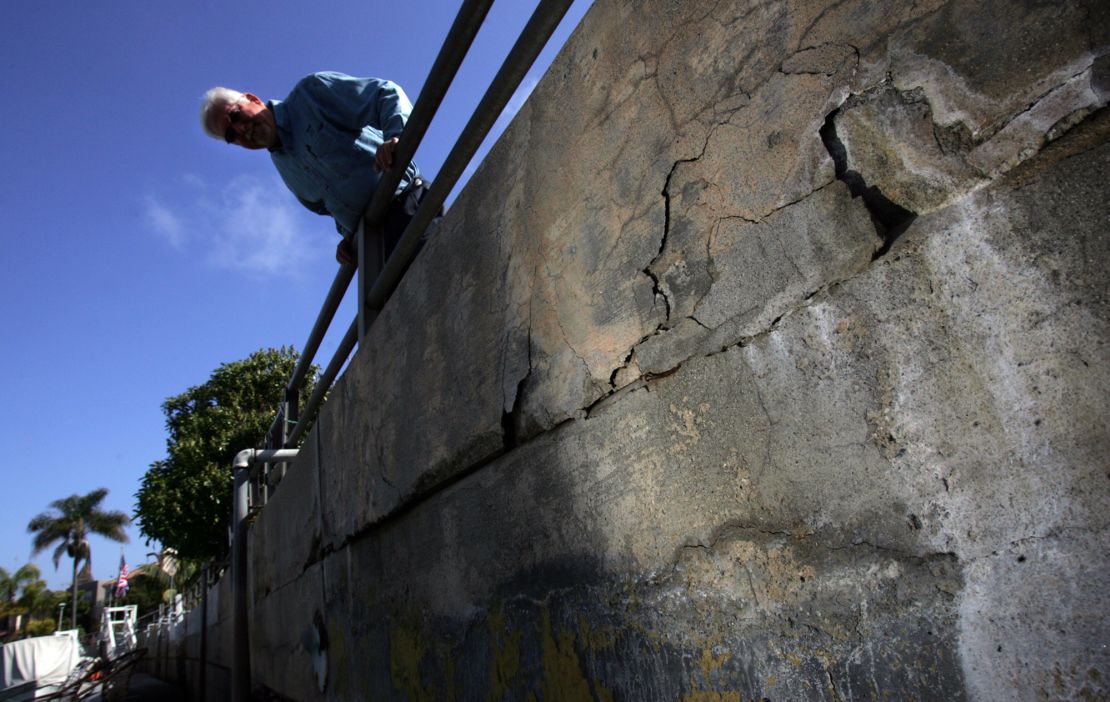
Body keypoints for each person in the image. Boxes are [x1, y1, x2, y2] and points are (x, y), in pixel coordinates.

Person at [200, 72, 434, 266]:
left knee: (446, 275)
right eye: (231, 136)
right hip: (373, 248)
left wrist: (396, 138)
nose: (241, 129)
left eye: (235, 115)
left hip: (407, 206)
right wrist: (347, 237)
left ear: (252, 99)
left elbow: (385, 93)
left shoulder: (311, 95)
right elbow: (325, 206)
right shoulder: (282, 165)